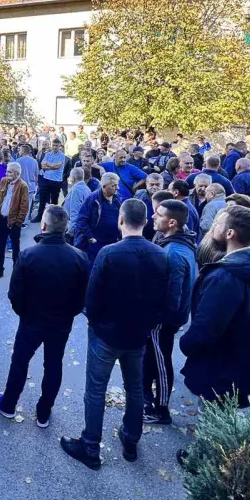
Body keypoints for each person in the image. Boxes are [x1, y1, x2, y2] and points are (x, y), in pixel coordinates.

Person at [61, 199, 170, 470]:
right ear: (145, 223)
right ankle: (131, 438)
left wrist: (94, 322)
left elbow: (93, 295)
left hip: (106, 333)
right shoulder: (160, 255)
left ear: (121, 220)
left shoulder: (109, 253)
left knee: (96, 388)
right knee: (134, 388)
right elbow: (167, 299)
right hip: (138, 334)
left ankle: (90, 445)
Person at [0, 205, 90, 427]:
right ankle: (44, 412)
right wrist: (70, 313)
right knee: (53, 364)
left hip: (32, 319)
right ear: (65, 228)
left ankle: (8, 404)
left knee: (20, 361)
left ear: (44, 225)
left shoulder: (29, 254)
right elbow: (84, 296)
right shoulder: (79, 257)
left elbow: (15, 293)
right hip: (61, 322)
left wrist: (24, 312)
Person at [179, 205, 250, 407]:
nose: (212, 227)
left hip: (222, 370)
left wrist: (186, 343)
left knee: (214, 426)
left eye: (217, 223)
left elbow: (207, 327)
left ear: (230, 233)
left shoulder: (225, 277)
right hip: (249, 364)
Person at [143, 200, 198, 424]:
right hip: (166, 318)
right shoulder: (177, 243)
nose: (153, 217)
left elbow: (171, 296)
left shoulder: (173, 253)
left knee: (161, 360)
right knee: (153, 357)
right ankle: (146, 394)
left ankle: (162, 409)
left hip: (163, 320)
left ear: (172, 222)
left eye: (158, 214)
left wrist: (155, 318)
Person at [0, 162, 30, 280]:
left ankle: (16, 273)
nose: (7, 174)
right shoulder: (3, 181)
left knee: (15, 249)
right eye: (7, 171)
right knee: (0, 247)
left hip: (13, 223)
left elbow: (24, 207)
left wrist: (18, 223)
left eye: (10, 172)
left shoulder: (23, 186)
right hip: (1, 220)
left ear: (17, 173)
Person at [72, 172, 123, 262]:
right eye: (113, 186)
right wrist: (91, 237)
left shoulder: (117, 198)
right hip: (97, 244)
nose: (117, 188)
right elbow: (81, 220)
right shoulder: (92, 199)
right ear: (103, 186)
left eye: (117, 185)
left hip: (112, 242)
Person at [34, 138, 66, 221]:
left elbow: (57, 166)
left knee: (54, 200)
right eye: (54, 145)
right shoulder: (48, 154)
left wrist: (48, 165)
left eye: (56, 145)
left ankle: (53, 218)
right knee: (42, 198)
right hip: (46, 179)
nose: (55, 147)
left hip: (56, 181)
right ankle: (39, 216)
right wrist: (51, 166)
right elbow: (42, 165)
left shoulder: (62, 155)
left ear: (59, 146)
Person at [16, 144, 40, 220]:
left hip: (20, 186)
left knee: (19, 204)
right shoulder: (34, 161)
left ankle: (19, 220)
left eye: (20, 150)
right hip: (31, 186)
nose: (18, 151)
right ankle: (24, 221)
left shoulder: (18, 161)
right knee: (28, 205)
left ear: (23, 151)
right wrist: (36, 186)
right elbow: (37, 175)